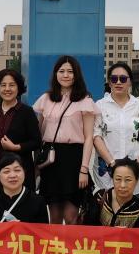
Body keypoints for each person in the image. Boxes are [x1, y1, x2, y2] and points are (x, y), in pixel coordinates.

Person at [31, 55, 97, 225]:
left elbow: (89, 137)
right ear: (55, 74)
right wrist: (37, 165)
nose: (65, 75)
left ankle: (72, 244)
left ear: (76, 75)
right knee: (54, 216)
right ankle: (54, 243)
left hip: (73, 160)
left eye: (70, 71)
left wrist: (84, 169)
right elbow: (38, 135)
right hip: (51, 161)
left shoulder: (85, 101)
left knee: (71, 216)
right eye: (61, 71)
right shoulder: (46, 99)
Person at [91, 62, 139, 195]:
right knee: (108, 206)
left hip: (134, 170)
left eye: (123, 79)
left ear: (130, 82)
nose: (118, 82)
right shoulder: (100, 105)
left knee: (132, 206)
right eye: (114, 79)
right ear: (109, 82)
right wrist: (112, 163)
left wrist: (138, 165)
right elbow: (96, 136)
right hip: (107, 171)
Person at [0, 68, 41, 191]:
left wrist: (16, 147)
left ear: (18, 88)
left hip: (18, 173)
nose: (7, 89)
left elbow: (36, 141)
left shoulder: (26, 112)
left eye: (12, 85)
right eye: (3, 85)